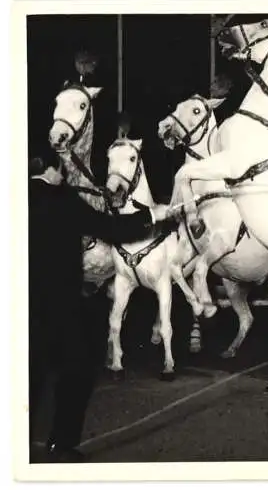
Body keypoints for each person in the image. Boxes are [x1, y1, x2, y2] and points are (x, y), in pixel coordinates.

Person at [28, 151, 170, 463]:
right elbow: (110, 228)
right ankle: (61, 444)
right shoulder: (60, 198)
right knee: (78, 368)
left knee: (28, 376)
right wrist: (152, 215)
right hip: (58, 303)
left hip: (21, 305)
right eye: (61, 170)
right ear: (52, 171)